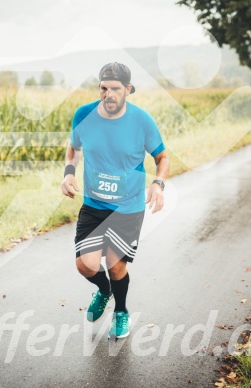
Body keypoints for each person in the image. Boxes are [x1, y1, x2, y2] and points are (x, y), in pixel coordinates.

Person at [60, 62, 170, 338]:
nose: (108, 94)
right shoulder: (84, 115)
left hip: (128, 208)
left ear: (128, 89)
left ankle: (121, 311)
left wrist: (158, 184)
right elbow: (73, 146)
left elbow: (162, 157)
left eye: (115, 89)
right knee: (85, 264)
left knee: (115, 264)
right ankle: (104, 290)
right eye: (103, 88)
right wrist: (69, 172)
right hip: (94, 205)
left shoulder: (142, 120)